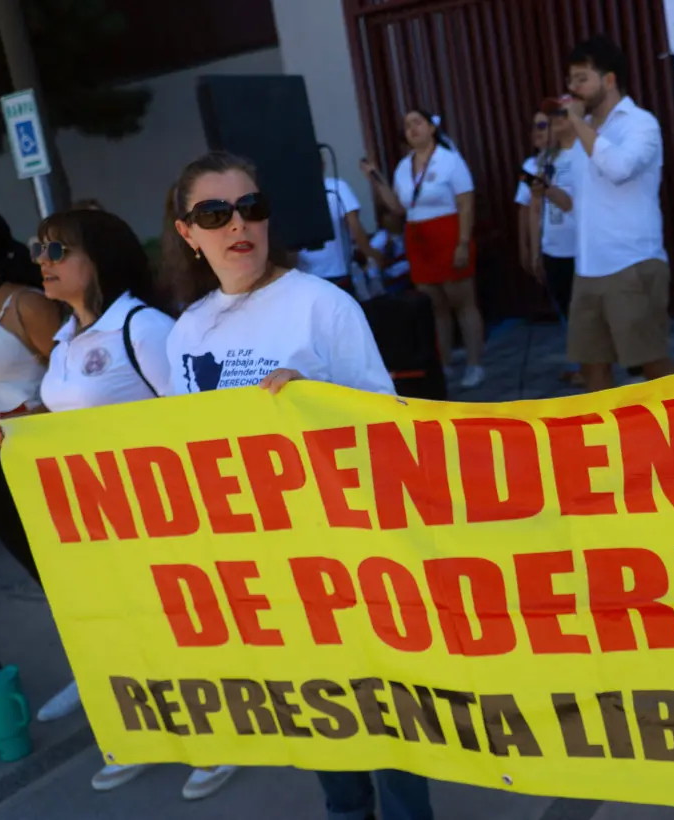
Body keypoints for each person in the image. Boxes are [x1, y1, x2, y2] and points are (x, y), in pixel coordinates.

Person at [162, 150, 432, 820]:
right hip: (259, 564)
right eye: (214, 213)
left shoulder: (323, 305)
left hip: (347, 548)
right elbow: (174, 447)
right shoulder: (187, 330)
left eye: (251, 207)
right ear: (187, 232)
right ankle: (344, 809)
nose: (237, 225)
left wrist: (321, 401)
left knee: (383, 705)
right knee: (311, 707)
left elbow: (389, 427)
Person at [0, 208, 237, 801]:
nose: (41, 263)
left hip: (150, 513)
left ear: (96, 259)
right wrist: (22, 424)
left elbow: (184, 415)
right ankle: (142, 735)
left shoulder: (144, 328)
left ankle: (214, 739)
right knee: (115, 632)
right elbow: (67, 410)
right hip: (87, 518)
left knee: (168, 629)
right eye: (40, 249)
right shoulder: (68, 338)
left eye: (57, 252)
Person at [561, 35, 674, 392]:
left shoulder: (640, 124)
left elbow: (620, 167)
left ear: (609, 79)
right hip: (588, 267)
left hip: (632, 264)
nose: (573, 88)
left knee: (651, 361)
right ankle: (611, 442)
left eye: (582, 78)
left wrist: (578, 125)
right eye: (571, 80)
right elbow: (585, 197)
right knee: (592, 365)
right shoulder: (587, 133)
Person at [361, 110, 485, 388]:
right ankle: (444, 363)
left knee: (462, 303)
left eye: (417, 122)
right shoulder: (404, 167)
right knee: (435, 306)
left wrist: (463, 242)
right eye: (407, 125)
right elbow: (397, 207)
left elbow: (466, 203)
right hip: (418, 238)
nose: (412, 129)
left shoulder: (450, 160)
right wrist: (375, 178)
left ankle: (475, 364)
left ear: (431, 127)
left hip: (448, 233)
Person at [0, 209, 59, 590]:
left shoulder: (26, 305)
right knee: (38, 571)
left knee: (64, 566)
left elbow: (72, 375)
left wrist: (37, 416)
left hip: (37, 450)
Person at [516, 105, 587, 383]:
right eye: (536, 126)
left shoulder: (579, 155)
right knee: (566, 307)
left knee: (585, 308)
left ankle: (593, 364)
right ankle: (580, 362)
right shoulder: (537, 164)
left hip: (581, 246)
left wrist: (548, 189)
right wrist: (534, 251)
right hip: (553, 247)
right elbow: (533, 208)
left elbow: (570, 204)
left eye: (545, 125)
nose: (540, 132)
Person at [298, 153, 384, 301]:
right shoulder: (337, 186)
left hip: (305, 277)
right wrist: (372, 254)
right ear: (322, 164)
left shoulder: (291, 194)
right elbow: (354, 226)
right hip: (336, 273)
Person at [369, 198, 410, 284]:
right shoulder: (380, 238)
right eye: (388, 215)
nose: (392, 218)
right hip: (393, 280)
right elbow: (372, 268)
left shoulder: (409, 232)